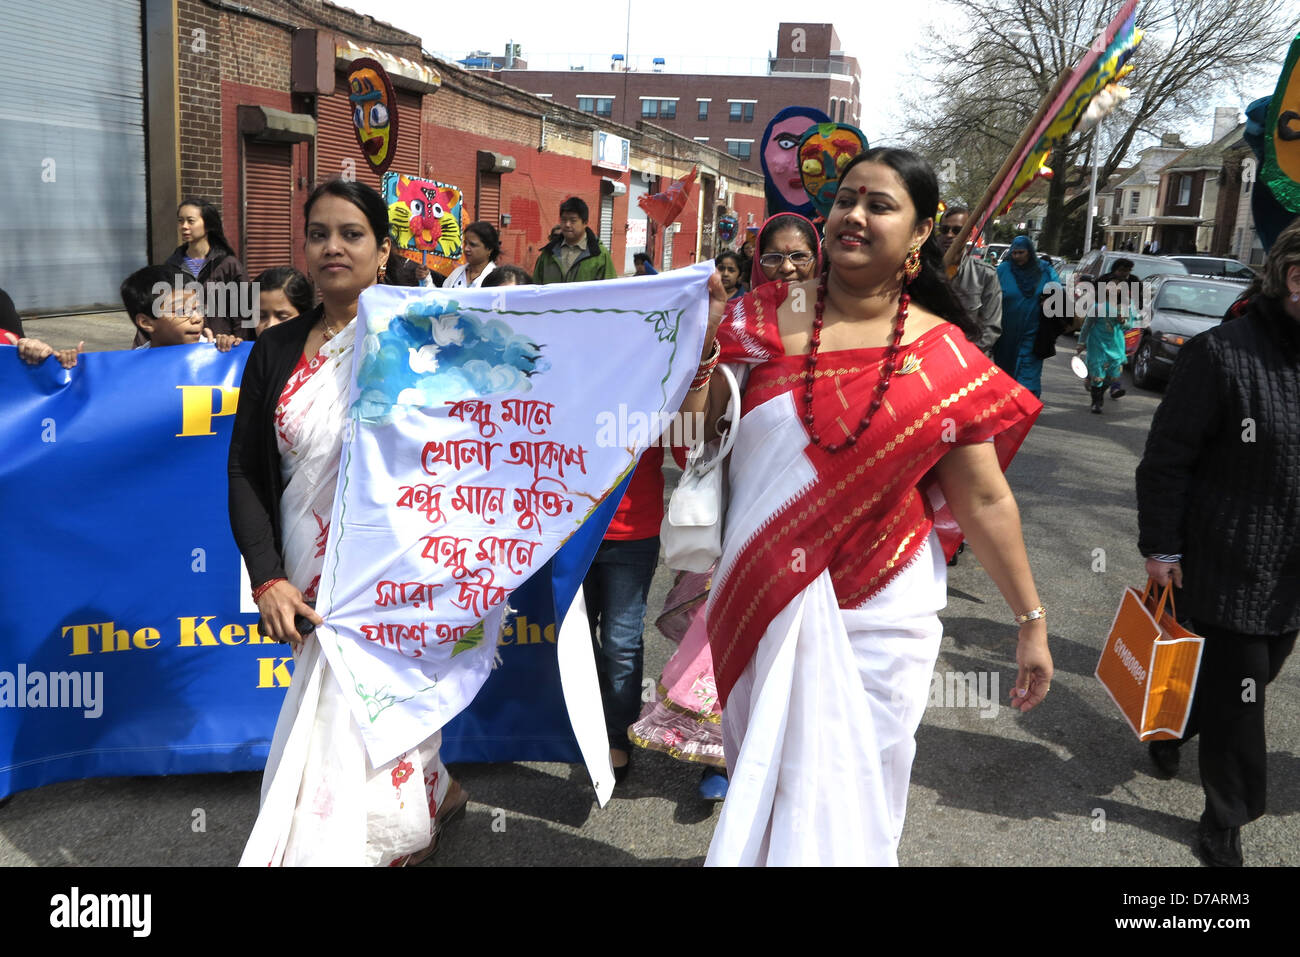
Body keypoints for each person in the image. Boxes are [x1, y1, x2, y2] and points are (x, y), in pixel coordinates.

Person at [679, 147, 1051, 865]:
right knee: (773, 777)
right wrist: (698, 353)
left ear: (920, 233)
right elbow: (689, 438)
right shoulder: (769, 312)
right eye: (846, 198)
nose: (853, 214)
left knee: (861, 783)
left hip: (884, 611)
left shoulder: (944, 354)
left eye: (879, 204)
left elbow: (982, 496)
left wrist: (1030, 619)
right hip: (767, 595)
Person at [230, 180, 465, 866]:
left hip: (397, 574)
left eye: (352, 233)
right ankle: (425, 801)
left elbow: (466, 452)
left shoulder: (424, 336)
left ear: (383, 248)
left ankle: (372, 840)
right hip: (309, 575)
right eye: (319, 233)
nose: (333, 246)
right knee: (334, 714)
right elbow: (244, 470)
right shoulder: (274, 352)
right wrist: (268, 577)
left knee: (376, 712)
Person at [1135, 219, 1300, 868]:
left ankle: (1173, 725)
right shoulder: (1220, 355)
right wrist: (1162, 548)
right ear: (1294, 278)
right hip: (1226, 560)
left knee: (1247, 678)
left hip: (1291, 570)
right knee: (1244, 694)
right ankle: (1226, 818)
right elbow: (1166, 459)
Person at [163, 198, 251, 340]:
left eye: (191, 221)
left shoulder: (228, 265)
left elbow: (245, 311)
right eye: (180, 221)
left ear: (208, 225)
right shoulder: (172, 265)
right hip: (186, 344)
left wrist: (239, 343)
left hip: (223, 346)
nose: (184, 226)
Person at [994, 235, 1060, 398]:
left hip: (1033, 331)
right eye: (1014, 253)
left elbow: (1057, 291)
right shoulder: (1003, 270)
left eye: (1021, 252)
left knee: (1028, 374)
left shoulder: (1044, 270)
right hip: (1005, 334)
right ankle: (1007, 404)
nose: (1017, 257)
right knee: (1005, 372)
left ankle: (1025, 405)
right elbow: (989, 293)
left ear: (1029, 252)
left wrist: (1050, 299)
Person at [121, 264, 240, 351]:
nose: (197, 318)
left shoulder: (217, 349)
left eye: (197, 308)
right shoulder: (136, 364)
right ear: (146, 323)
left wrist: (229, 349)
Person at [937, 205, 1002, 354]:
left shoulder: (985, 275)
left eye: (957, 231)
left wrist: (962, 357)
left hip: (966, 361)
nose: (950, 235)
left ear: (968, 235)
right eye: (945, 230)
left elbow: (990, 329)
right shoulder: (922, 271)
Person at [1077, 260, 1135, 412]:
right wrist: (1081, 343)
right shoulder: (1097, 306)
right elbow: (1087, 326)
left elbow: (1129, 325)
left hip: (1115, 344)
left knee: (1112, 375)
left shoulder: (1127, 306)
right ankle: (1096, 402)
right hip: (1097, 344)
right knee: (1098, 373)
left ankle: (1102, 391)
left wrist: (1123, 321)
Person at [532, 198, 617, 283]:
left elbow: (611, 290)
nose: (567, 225)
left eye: (573, 221)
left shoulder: (599, 255)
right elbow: (536, 289)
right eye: (564, 220)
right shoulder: (548, 253)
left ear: (585, 223)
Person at [253, 267, 313, 339]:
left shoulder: (324, 349)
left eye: (283, 317)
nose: (270, 325)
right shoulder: (246, 349)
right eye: (261, 316)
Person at [444, 222, 500, 288]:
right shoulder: (456, 274)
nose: (466, 249)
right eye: (465, 243)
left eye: (472, 245)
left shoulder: (497, 279)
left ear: (489, 249)